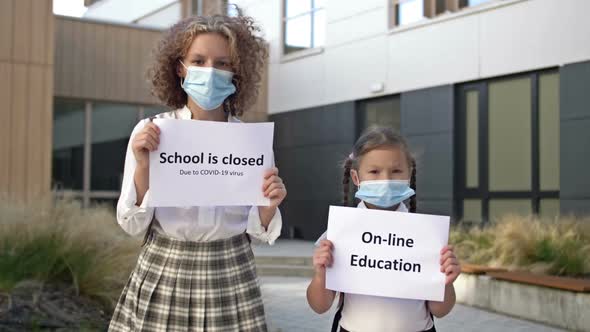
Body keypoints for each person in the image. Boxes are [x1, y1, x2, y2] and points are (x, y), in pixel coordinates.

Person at [108, 9, 286, 332]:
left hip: (231, 270)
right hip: (165, 267)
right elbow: (132, 225)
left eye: (222, 63)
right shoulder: (151, 133)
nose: (210, 71)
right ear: (180, 68)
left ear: (236, 72)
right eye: (199, 60)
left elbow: (258, 233)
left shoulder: (251, 142)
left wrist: (269, 206)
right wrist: (144, 167)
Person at [306, 127, 460, 332]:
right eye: (374, 171)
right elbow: (319, 306)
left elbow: (440, 310)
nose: (385, 180)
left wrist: (447, 282)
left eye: (396, 171)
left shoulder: (427, 235)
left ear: (409, 173)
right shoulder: (339, 234)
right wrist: (320, 276)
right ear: (356, 177)